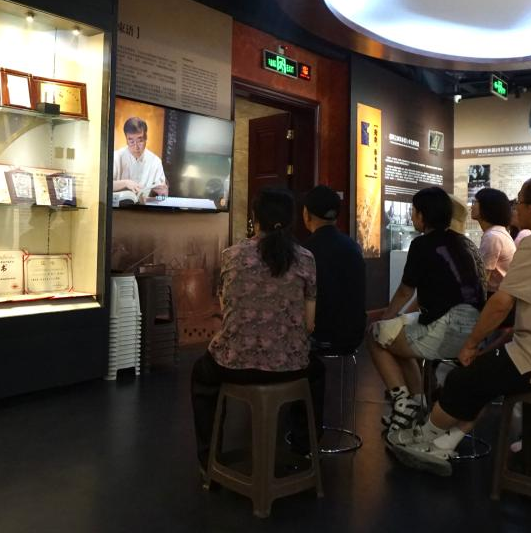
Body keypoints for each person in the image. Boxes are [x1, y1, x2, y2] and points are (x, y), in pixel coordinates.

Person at [387, 174, 531, 476]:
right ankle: (444, 443)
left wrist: (470, 345)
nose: (514, 208)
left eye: (519, 202)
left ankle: (423, 436)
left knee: (462, 378)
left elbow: (501, 303)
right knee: (484, 375)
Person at [190, 188, 325, 470]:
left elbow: (226, 310)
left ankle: (209, 460)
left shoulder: (231, 255)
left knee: (201, 375)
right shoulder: (306, 258)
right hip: (290, 366)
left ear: (255, 219)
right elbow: (309, 324)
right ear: (292, 219)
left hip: (234, 364)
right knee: (317, 371)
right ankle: (304, 450)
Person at [367, 187, 485, 433]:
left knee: (375, 335)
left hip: (446, 331)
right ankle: (417, 403)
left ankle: (402, 403)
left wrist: (386, 318)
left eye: (413, 211)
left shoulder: (421, 244)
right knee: (397, 337)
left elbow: (405, 291)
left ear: (422, 215)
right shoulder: (464, 244)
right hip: (475, 333)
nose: (412, 216)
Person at [301, 185, 366, 354]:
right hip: (353, 337)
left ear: (306, 214)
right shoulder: (354, 247)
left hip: (317, 336)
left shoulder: (304, 252)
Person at [471, 188, 516, 297]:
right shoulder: (497, 232)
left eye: (475, 202)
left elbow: (483, 277)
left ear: (487, 206)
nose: (471, 207)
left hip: (495, 295)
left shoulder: (492, 237)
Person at [112, 117, 168, 199]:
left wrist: (162, 191)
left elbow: (162, 193)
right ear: (126, 139)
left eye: (140, 141)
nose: (136, 147)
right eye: (131, 141)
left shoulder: (155, 161)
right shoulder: (116, 157)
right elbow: (105, 184)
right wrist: (126, 183)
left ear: (146, 138)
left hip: (144, 206)